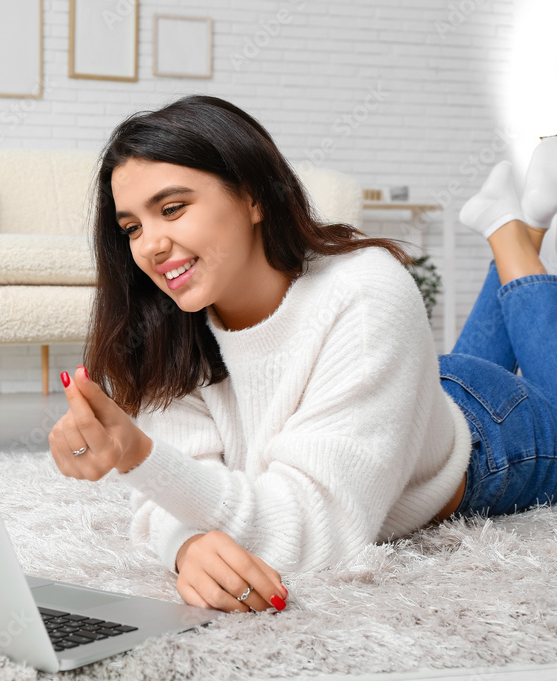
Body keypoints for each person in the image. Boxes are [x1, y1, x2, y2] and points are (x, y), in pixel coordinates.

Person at [46, 95, 557, 615]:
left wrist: (139, 456)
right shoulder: (166, 324)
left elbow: (318, 534)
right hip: (389, 400)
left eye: (172, 209)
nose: (150, 245)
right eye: (132, 227)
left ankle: (511, 233)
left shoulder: (364, 292)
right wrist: (188, 547)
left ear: (253, 197)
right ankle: (524, 221)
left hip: (491, 433)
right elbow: (169, 497)